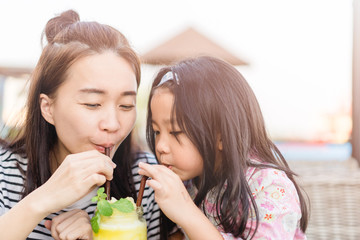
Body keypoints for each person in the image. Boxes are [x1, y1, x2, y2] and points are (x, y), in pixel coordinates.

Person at [0, 10, 160, 239]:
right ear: (48, 108)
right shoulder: (5, 173)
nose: (113, 124)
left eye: (126, 105)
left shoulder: (144, 178)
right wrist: (40, 201)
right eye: (93, 104)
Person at [139, 56, 309, 239]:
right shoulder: (189, 180)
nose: (161, 146)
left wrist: (186, 211)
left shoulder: (269, 186)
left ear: (221, 135)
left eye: (175, 132)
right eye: (157, 131)